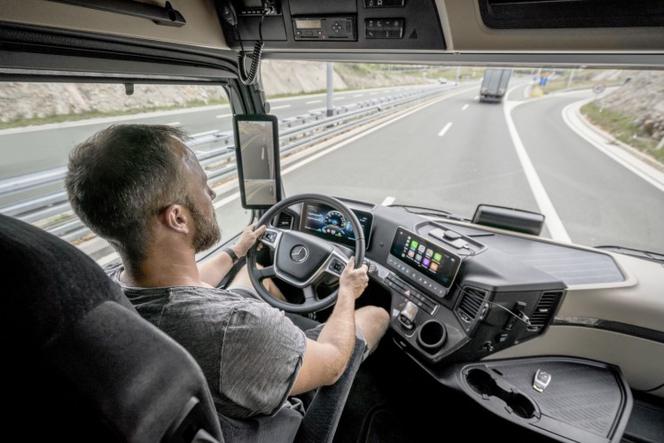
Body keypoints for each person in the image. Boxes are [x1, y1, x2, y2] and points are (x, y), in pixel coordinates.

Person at [65, 124, 390, 440]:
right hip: (271, 422)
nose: (213, 193)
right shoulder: (240, 329)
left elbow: (182, 286)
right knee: (374, 315)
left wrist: (236, 252)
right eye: (204, 187)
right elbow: (333, 361)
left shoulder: (102, 289)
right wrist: (347, 291)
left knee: (253, 277)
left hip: (218, 380)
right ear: (177, 218)